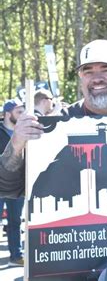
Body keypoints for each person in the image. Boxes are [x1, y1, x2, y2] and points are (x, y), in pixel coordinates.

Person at [0, 39, 107, 247]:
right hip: (75, 261)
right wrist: (17, 144)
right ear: (81, 78)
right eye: (88, 71)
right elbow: (7, 187)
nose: (97, 78)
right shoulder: (56, 127)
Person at [0, 99, 26, 266]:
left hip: (17, 185)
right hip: (1, 183)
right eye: (19, 111)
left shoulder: (24, 132)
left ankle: (15, 256)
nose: (22, 114)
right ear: (8, 114)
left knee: (15, 221)